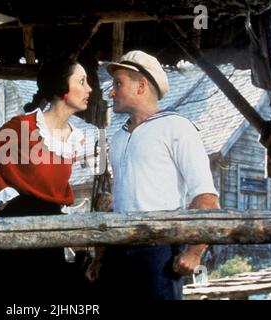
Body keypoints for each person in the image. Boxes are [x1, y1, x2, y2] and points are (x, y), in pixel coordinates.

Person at [0, 57, 92, 300]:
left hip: (51, 232)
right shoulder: (24, 126)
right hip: (16, 226)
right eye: (82, 82)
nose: (89, 89)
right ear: (62, 88)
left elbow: (57, 188)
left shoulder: (76, 138)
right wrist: (2, 189)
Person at [100, 50, 220, 299]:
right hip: (117, 251)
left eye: (118, 84)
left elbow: (206, 198)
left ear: (141, 85)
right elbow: (120, 201)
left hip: (158, 252)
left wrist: (195, 252)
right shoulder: (119, 137)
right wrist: (100, 257)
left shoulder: (177, 127)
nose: (111, 92)